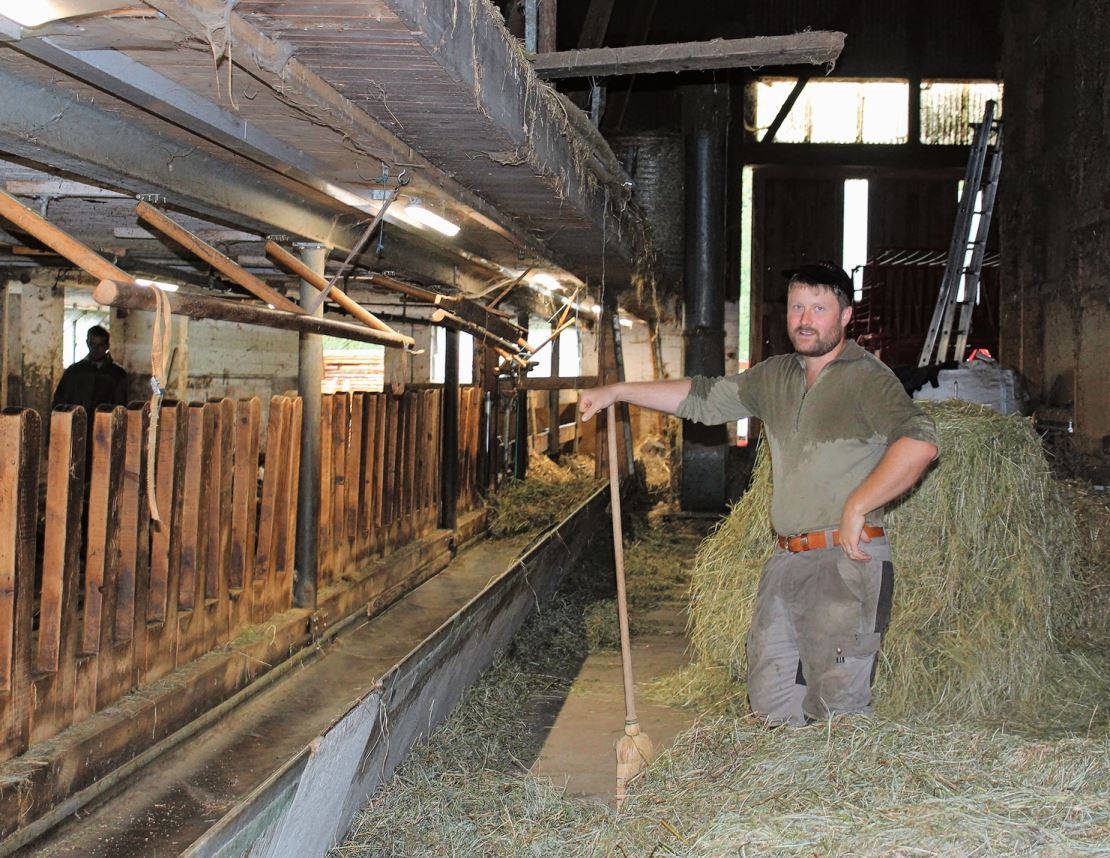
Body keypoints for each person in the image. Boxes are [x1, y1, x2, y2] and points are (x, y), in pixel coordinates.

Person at [579, 262, 939, 726]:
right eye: (796, 307)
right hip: (785, 562)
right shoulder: (776, 377)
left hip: (846, 566)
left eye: (819, 308)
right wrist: (618, 391)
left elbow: (920, 442)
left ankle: (835, 797)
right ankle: (788, 797)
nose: (805, 320)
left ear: (845, 316)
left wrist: (859, 503)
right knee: (770, 703)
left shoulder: (867, 379)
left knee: (838, 711)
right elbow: (703, 398)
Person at [52, 324, 130, 416]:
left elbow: (121, 406)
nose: (95, 349)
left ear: (107, 346)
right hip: (76, 423)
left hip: (105, 425)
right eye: (92, 344)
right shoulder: (74, 372)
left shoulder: (117, 375)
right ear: (87, 343)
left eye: (100, 345)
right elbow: (60, 402)